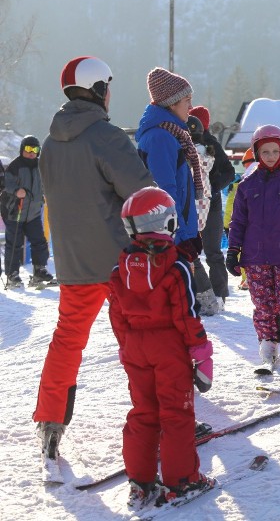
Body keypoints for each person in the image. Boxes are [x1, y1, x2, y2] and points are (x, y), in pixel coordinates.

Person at [34, 56, 153, 461]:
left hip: (71, 261)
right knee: (142, 339)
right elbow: (142, 195)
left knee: (67, 339)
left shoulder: (50, 143)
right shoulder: (107, 136)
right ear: (100, 89)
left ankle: (51, 421)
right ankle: (161, 414)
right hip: (119, 261)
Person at [109, 186, 215, 509]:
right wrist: (201, 353)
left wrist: (125, 347)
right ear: (166, 222)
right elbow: (187, 315)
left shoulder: (120, 269)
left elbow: (117, 315)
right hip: (169, 351)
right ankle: (182, 481)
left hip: (136, 350)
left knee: (144, 412)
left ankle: (140, 481)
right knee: (176, 414)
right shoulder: (175, 266)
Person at [226, 125, 280, 374]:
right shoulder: (246, 186)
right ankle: (269, 348)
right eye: (265, 151)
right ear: (256, 152)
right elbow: (238, 222)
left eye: (276, 151)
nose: (271, 156)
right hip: (255, 258)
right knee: (263, 304)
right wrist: (234, 250)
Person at [135, 67, 202, 263]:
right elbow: (165, 194)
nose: (191, 106)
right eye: (187, 100)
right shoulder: (160, 138)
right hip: (171, 240)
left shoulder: (172, 134)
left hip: (175, 234)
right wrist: (181, 238)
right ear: (172, 104)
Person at [189, 105, 236, 308]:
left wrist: (211, 188)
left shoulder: (211, 144)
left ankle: (218, 294)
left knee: (211, 251)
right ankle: (206, 292)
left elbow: (229, 172)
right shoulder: (184, 142)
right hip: (192, 202)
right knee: (205, 251)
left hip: (211, 204)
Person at [3, 135, 55, 289]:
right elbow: (6, 183)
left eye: (35, 149)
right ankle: (12, 275)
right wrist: (16, 190)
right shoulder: (15, 166)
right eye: (28, 149)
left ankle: (39, 270)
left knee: (39, 242)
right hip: (15, 212)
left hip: (33, 212)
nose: (31, 152)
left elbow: (46, 183)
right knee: (14, 244)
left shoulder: (40, 166)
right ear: (22, 150)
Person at [185, 114, 219, 316]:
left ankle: (206, 298)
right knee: (192, 254)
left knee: (190, 255)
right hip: (202, 205)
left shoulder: (192, 154)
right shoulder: (206, 152)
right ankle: (204, 297)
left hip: (193, 206)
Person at [224, 148, 256, 291]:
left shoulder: (240, 184)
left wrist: (226, 225)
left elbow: (231, 207)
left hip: (245, 225)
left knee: (245, 251)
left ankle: (247, 279)